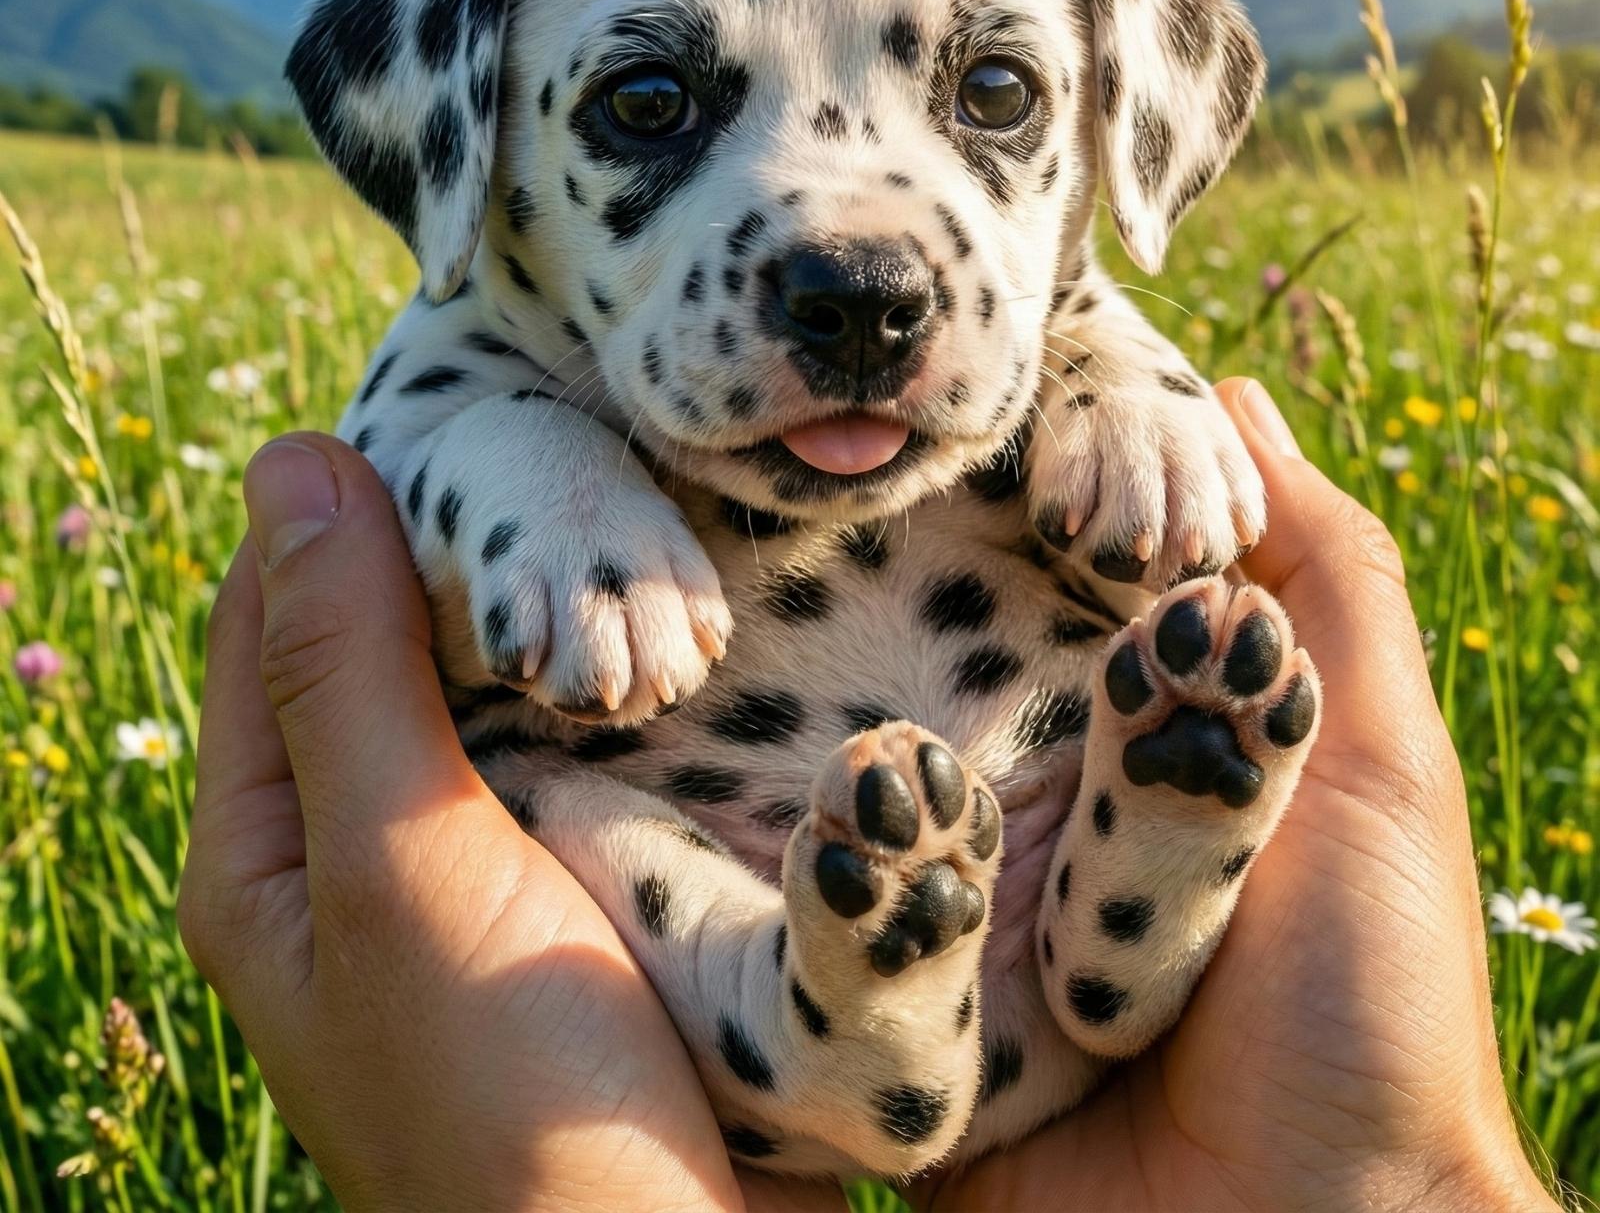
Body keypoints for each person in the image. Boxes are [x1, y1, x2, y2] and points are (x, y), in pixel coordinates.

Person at [179, 380, 1559, 1213]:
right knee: (534, 797)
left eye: (986, 97)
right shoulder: (494, 353)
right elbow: (417, 438)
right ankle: (864, 1014)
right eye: (656, 107)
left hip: (1023, 910)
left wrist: (1129, 395)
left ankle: (1132, 910)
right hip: (728, 977)